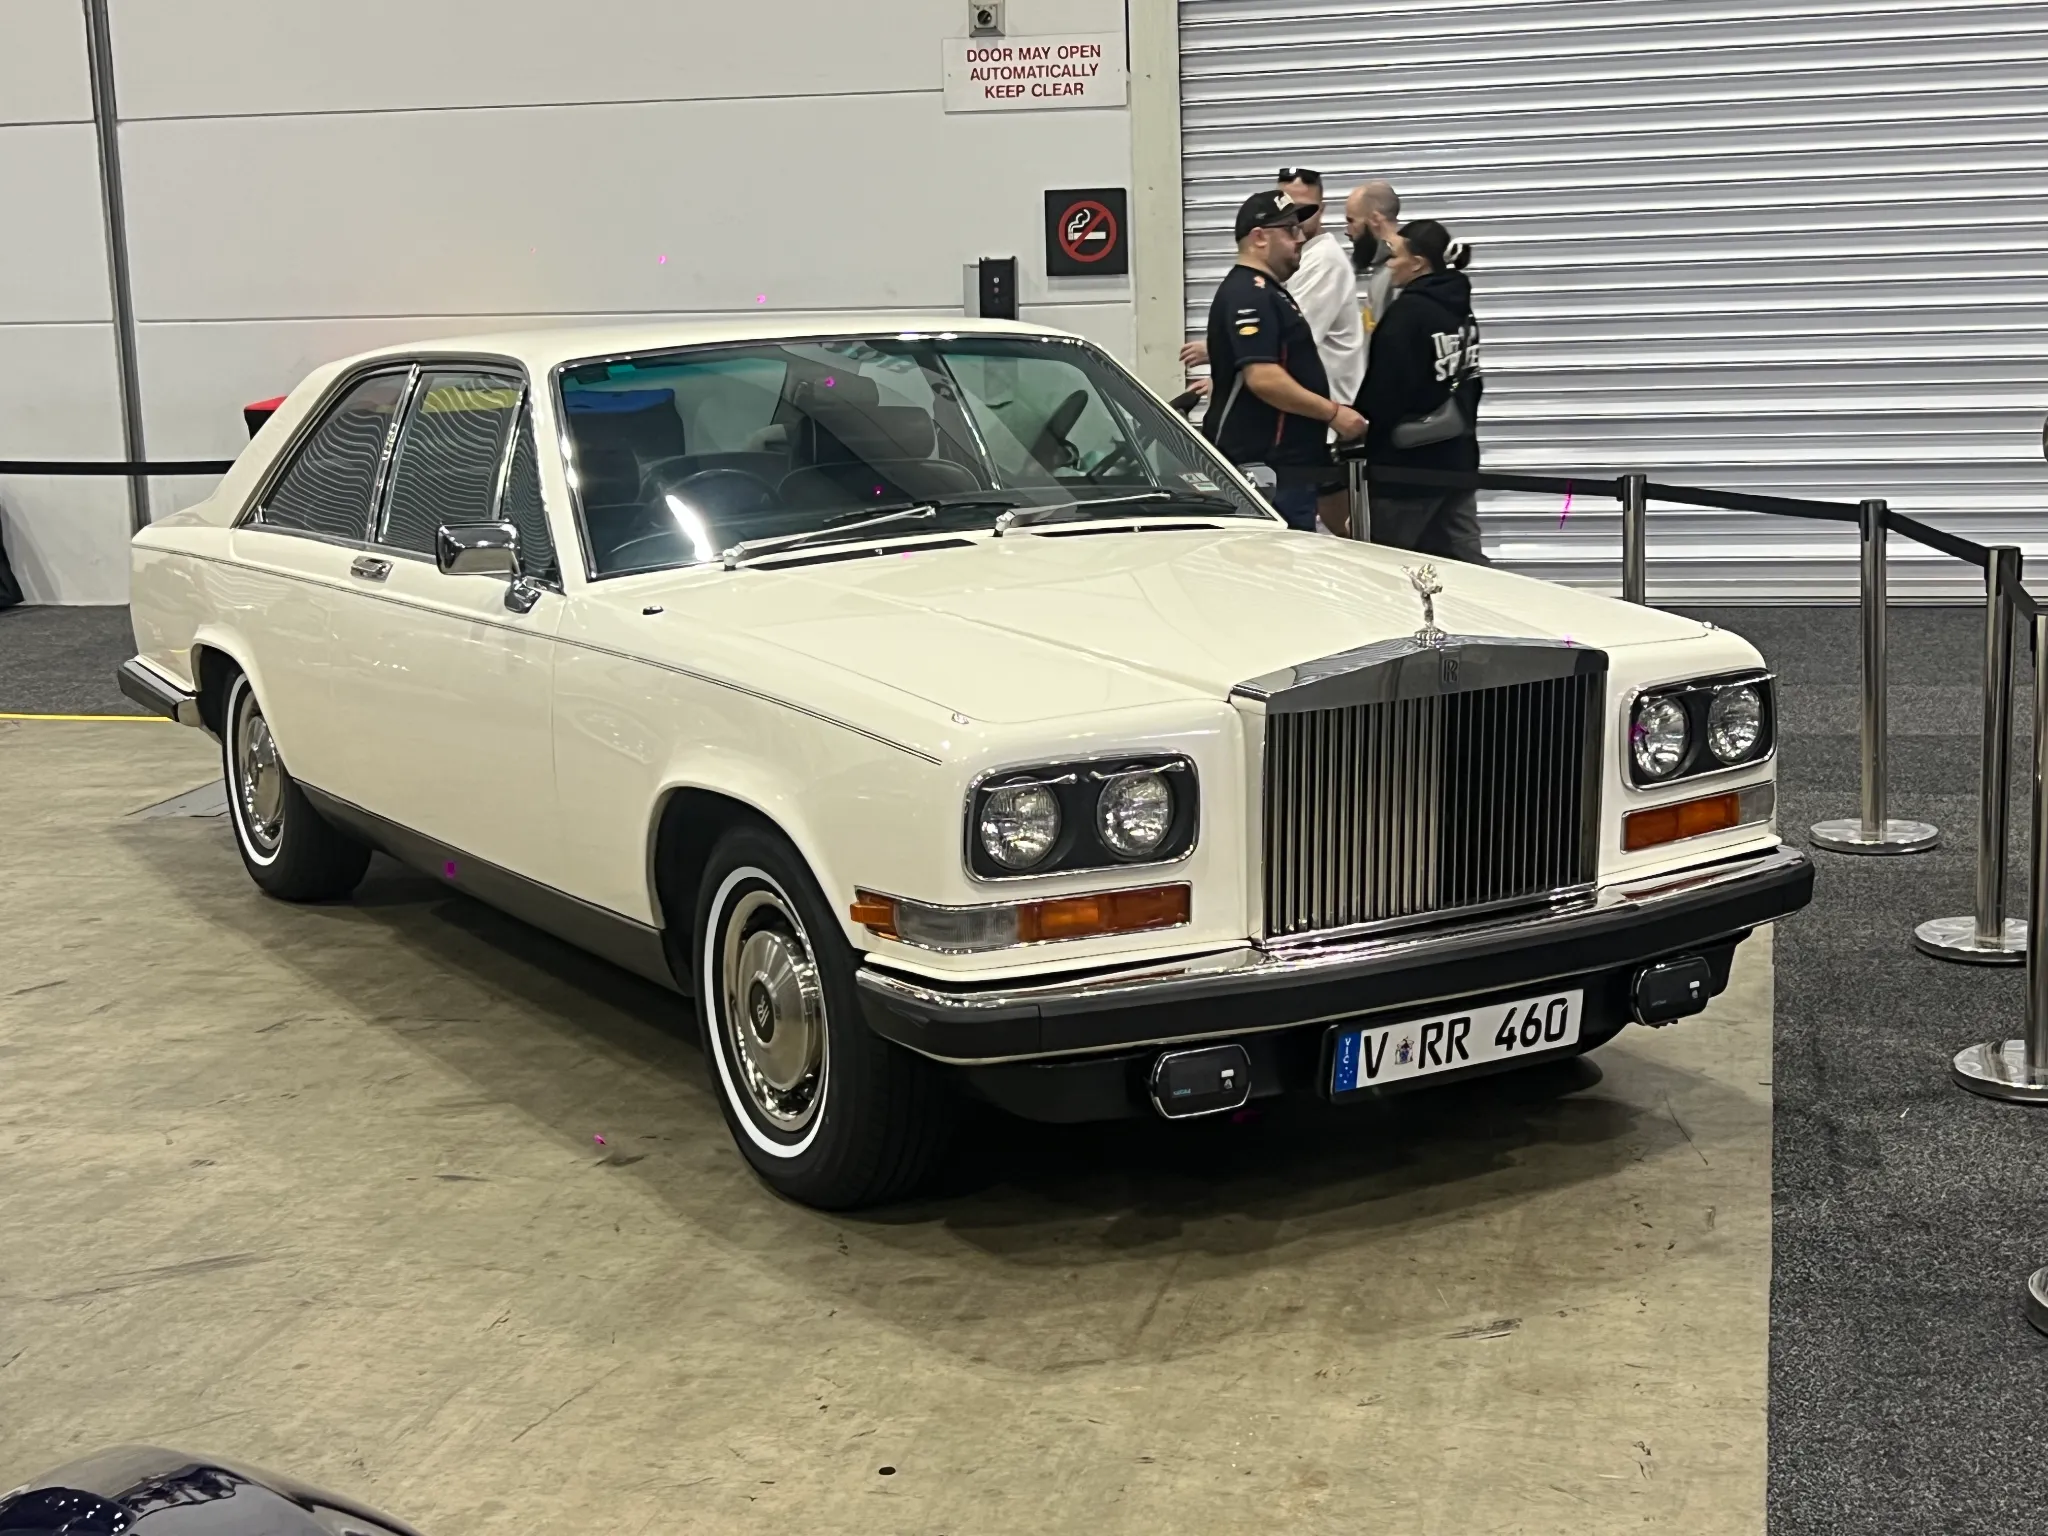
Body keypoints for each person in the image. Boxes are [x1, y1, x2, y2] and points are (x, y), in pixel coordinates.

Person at [1183, 172, 1367, 533]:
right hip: (1266, 474)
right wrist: (1333, 413)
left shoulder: (1269, 291)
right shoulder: (1249, 294)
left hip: (1287, 471)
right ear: (1259, 238)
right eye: (1289, 230)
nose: (1299, 239)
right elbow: (1264, 378)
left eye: (1300, 229)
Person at [1358, 218, 1489, 565]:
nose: (1389, 263)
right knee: (1467, 565)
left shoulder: (1407, 315)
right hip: (1458, 459)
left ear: (1417, 262)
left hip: (1407, 470)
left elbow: (1384, 394)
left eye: (1394, 255)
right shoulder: (1460, 309)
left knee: (1392, 566)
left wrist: (1359, 430)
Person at [1345, 181, 1402, 343]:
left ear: (1375, 219)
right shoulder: (1380, 267)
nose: (1347, 231)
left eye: (1351, 221)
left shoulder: (1400, 271)